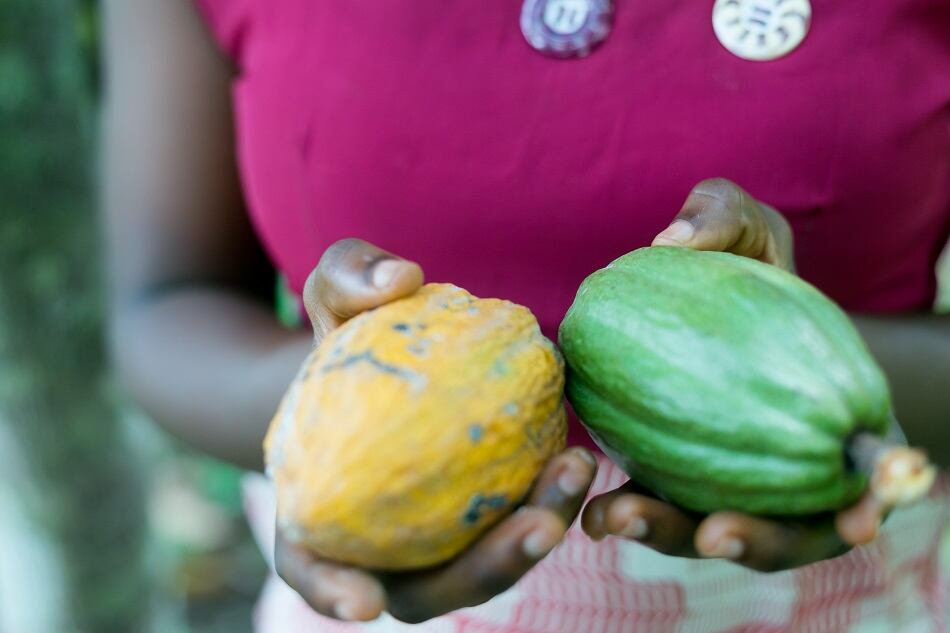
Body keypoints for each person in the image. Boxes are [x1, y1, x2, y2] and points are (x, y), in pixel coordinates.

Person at [101, 0, 950, 630]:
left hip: (855, 589)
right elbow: (166, 304)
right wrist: (357, 411)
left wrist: (791, 364)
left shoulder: (822, 416)